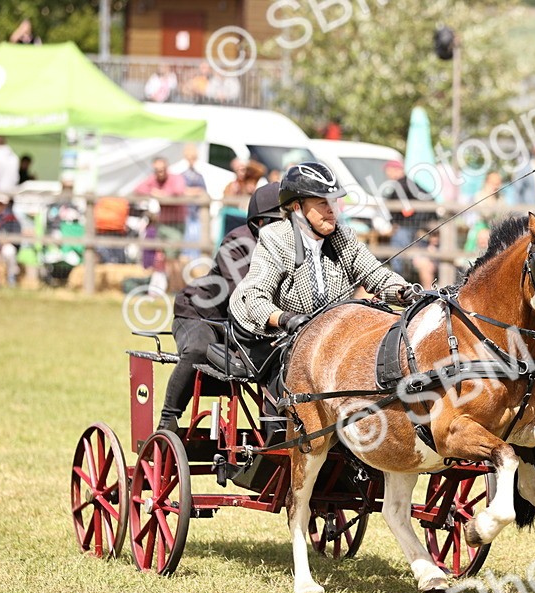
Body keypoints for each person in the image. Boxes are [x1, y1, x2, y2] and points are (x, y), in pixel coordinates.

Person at [228, 162, 412, 398]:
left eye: (334, 202)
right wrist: (285, 319)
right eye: (323, 203)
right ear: (297, 208)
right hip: (266, 333)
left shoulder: (344, 237)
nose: (332, 210)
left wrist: (403, 291)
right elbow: (255, 297)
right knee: (288, 387)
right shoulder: (276, 238)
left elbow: (377, 275)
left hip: (320, 333)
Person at [157, 183, 283, 431]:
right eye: (277, 222)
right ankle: (168, 418)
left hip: (247, 324)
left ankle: (275, 431)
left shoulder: (291, 247)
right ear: (259, 222)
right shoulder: (238, 244)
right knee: (198, 349)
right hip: (201, 314)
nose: (284, 230)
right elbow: (244, 296)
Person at [381, 159, 437, 287]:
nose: (388, 174)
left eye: (389, 170)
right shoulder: (406, 184)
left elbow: (396, 207)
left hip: (410, 227)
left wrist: (408, 219)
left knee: (398, 249)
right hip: (413, 226)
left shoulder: (403, 185)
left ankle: (399, 281)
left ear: (397, 170)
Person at [134, 157, 188, 273]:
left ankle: (175, 282)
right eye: (157, 170)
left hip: (175, 224)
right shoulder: (154, 179)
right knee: (162, 258)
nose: (160, 173)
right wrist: (153, 192)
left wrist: (161, 194)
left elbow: (178, 191)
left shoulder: (175, 178)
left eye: (162, 169)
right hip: (162, 224)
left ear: (166, 168)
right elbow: (138, 189)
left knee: (173, 258)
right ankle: (167, 281)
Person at [177, 144, 209, 259]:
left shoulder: (198, 176)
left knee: (195, 236)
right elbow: (181, 191)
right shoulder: (182, 175)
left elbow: (203, 191)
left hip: (195, 212)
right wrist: (193, 192)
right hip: (185, 211)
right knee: (186, 237)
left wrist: (190, 191)